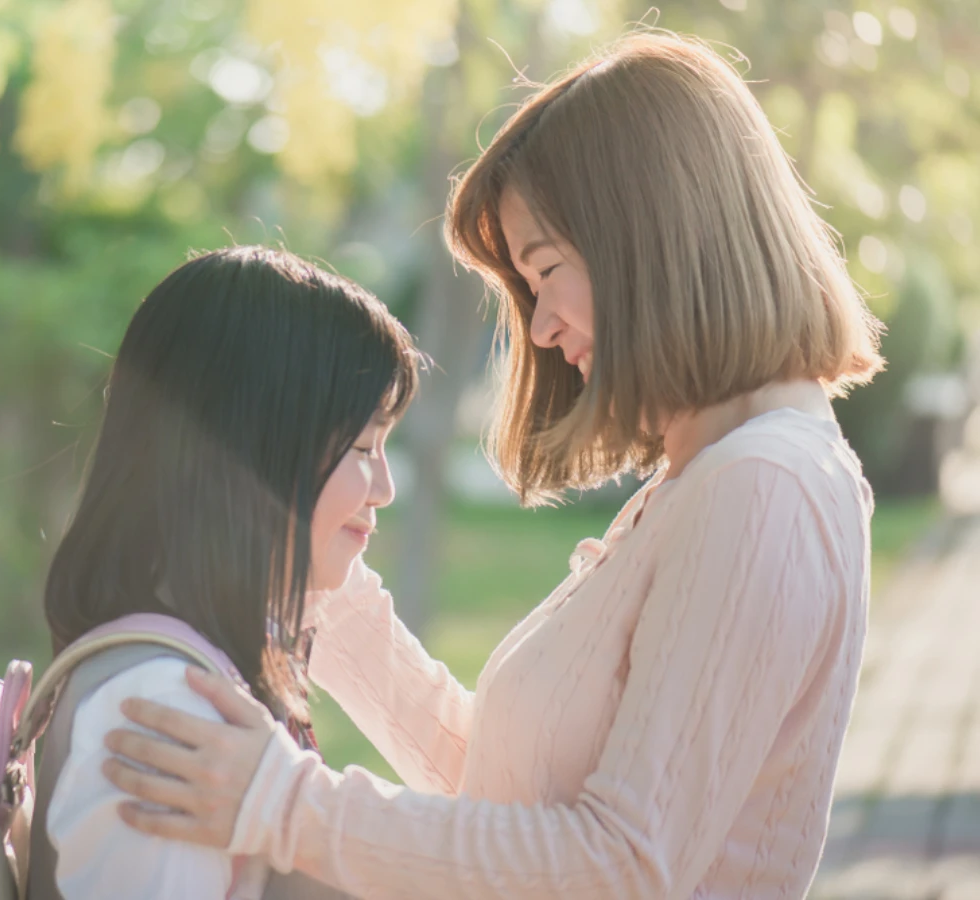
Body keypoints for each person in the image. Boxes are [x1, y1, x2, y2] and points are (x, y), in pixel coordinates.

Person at [100, 31, 884, 899]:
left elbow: (621, 866)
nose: (541, 326)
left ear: (649, 238)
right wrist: (330, 583)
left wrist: (288, 805)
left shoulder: (762, 486)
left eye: (547, 271)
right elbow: (504, 793)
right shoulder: (707, 475)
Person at [33, 245, 420, 899]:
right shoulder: (167, 706)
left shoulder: (198, 668)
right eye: (362, 446)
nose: (383, 486)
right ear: (254, 451)